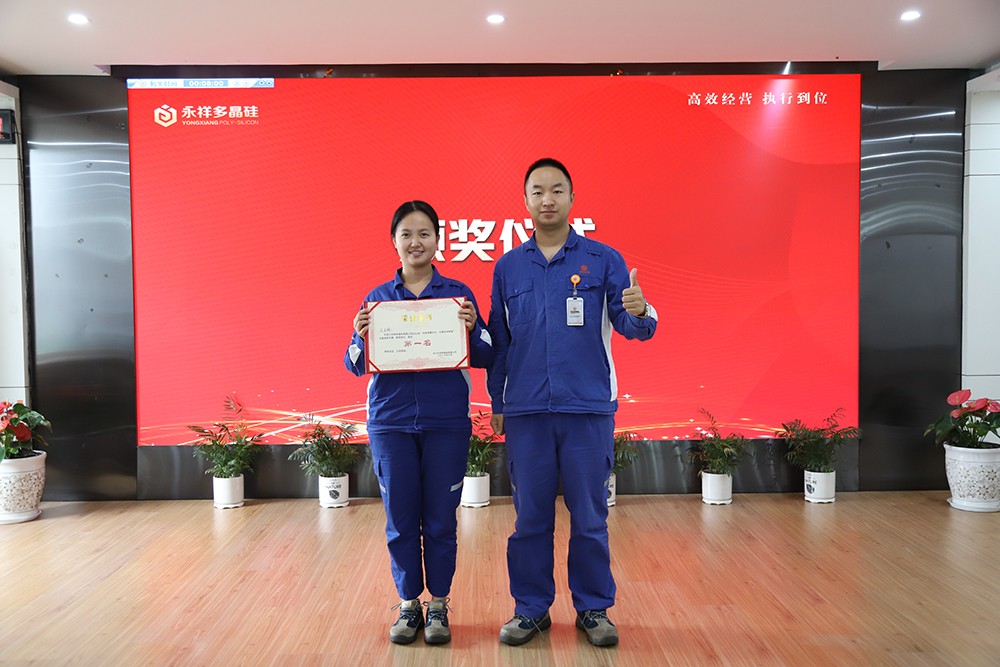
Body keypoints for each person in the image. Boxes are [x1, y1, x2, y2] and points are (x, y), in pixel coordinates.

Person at [487, 158, 657, 647]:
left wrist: (641, 310)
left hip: (587, 410)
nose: (548, 199)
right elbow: (500, 342)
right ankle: (531, 609)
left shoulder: (603, 259)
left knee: (589, 518)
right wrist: (497, 401)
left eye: (557, 190)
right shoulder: (508, 267)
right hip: (527, 413)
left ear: (572, 198)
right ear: (525, 201)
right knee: (530, 520)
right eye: (538, 191)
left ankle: (593, 608)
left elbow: (631, 326)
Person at [345, 200, 493, 645]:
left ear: (438, 240)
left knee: (441, 519)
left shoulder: (457, 295)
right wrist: (360, 336)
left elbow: (486, 352)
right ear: (394, 241)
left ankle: (440, 605)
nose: (416, 242)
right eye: (406, 234)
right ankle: (409, 604)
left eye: (424, 233)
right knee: (401, 519)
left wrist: (473, 327)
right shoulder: (377, 299)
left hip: (446, 423)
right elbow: (353, 363)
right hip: (390, 425)